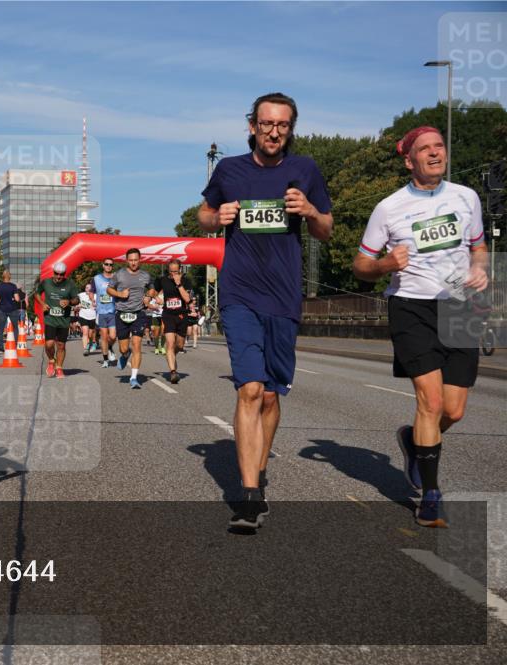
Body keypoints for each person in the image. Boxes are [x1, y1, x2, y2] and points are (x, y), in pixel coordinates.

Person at [198, 92, 333, 529]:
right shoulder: (230, 169)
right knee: (250, 390)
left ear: (290, 129)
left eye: (283, 125)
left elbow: (327, 230)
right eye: (266, 123)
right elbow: (203, 213)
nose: (274, 131)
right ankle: (250, 493)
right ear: (252, 126)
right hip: (239, 293)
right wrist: (216, 217)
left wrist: (310, 210)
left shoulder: (304, 170)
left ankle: (258, 466)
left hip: (283, 295)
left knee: (271, 395)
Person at [353, 126, 487, 528]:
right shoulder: (388, 208)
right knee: (429, 402)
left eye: (439, 147)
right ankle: (430, 495)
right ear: (408, 160)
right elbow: (361, 265)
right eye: (424, 149)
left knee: (454, 410)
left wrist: (480, 268)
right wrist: (385, 265)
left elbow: (478, 247)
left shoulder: (467, 197)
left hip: (462, 306)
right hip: (411, 306)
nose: (434, 154)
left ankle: (414, 441)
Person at [107, 248, 155, 389]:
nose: (133, 263)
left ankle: (133, 378)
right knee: (123, 348)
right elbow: (109, 289)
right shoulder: (119, 274)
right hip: (121, 313)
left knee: (137, 345)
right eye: (131, 260)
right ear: (126, 260)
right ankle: (124, 355)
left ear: (140, 260)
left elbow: (152, 288)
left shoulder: (145, 275)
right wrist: (120, 294)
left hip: (138, 313)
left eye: (136, 260)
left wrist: (148, 296)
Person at [33, 262, 80, 378]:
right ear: (53, 272)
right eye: (56, 274)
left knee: (61, 345)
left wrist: (69, 302)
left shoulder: (70, 284)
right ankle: (51, 360)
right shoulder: (46, 282)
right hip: (50, 318)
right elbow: (37, 293)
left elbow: (77, 299)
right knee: (49, 344)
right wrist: (42, 304)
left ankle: (59, 368)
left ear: (65, 274)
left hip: (64, 319)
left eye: (61, 274)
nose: (58, 276)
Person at [155, 260, 193, 381]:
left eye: (175, 272)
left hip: (182, 316)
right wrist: (156, 298)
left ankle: (171, 355)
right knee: (170, 344)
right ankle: (173, 372)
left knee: (180, 345)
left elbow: (187, 299)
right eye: (170, 272)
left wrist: (179, 284)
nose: (173, 274)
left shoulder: (186, 281)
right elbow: (152, 291)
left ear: (180, 270)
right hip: (168, 315)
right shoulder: (163, 280)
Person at [93, 260, 118, 367]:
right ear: (103, 265)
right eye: (106, 264)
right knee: (104, 336)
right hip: (101, 311)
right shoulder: (96, 278)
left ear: (112, 266)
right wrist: (92, 299)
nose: (108, 266)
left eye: (111, 265)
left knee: (112, 336)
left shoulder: (116, 278)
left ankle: (110, 347)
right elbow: (91, 291)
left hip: (113, 310)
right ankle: (105, 360)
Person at [0, 270, 23, 353]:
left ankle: (0, 348)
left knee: (1, 328)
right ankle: (15, 345)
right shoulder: (13, 286)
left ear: (2, 277)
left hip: (2, 309)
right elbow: (17, 299)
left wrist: (2, 300)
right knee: (15, 327)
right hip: (13, 309)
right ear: (10, 277)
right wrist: (13, 299)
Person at [78, 283, 97, 356]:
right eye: (86, 288)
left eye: (90, 288)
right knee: (85, 332)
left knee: (90, 334)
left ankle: (91, 342)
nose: (88, 289)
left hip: (92, 317)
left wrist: (96, 305)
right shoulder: (81, 295)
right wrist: (77, 305)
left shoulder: (95, 296)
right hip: (83, 316)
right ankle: (85, 349)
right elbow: (74, 299)